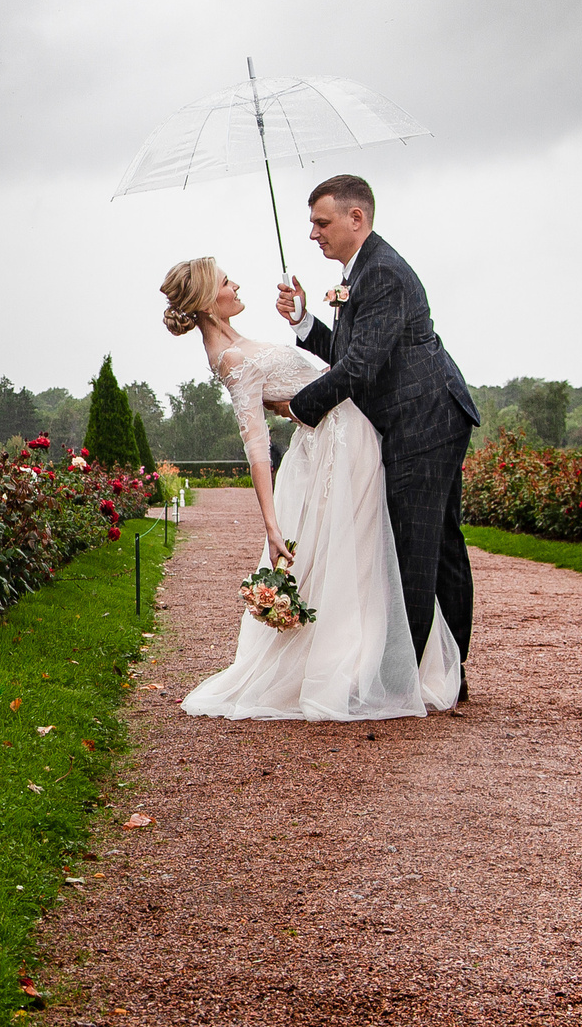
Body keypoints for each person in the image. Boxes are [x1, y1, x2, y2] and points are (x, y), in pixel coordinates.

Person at [160, 252, 460, 721]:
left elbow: (331, 366)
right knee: (356, 556)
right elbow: (256, 448)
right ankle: (356, 669)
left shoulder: (240, 342)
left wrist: (303, 320)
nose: (235, 285)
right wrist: (271, 525)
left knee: (363, 556)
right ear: (205, 298)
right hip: (334, 449)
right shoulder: (232, 358)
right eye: (225, 281)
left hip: (348, 436)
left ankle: (376, 664)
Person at [271, 174, 479, 683]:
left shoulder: (380, 272)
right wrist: (304, 322)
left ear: (355, 217)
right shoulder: (362, 271)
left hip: (424, 421)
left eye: (321, 222)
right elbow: (351, 352)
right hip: (428, 416)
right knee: (441, 544)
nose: (314, 234)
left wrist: (298, 407)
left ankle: (400, 680)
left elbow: (359, 367)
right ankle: (449, 673)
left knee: (415, 545)